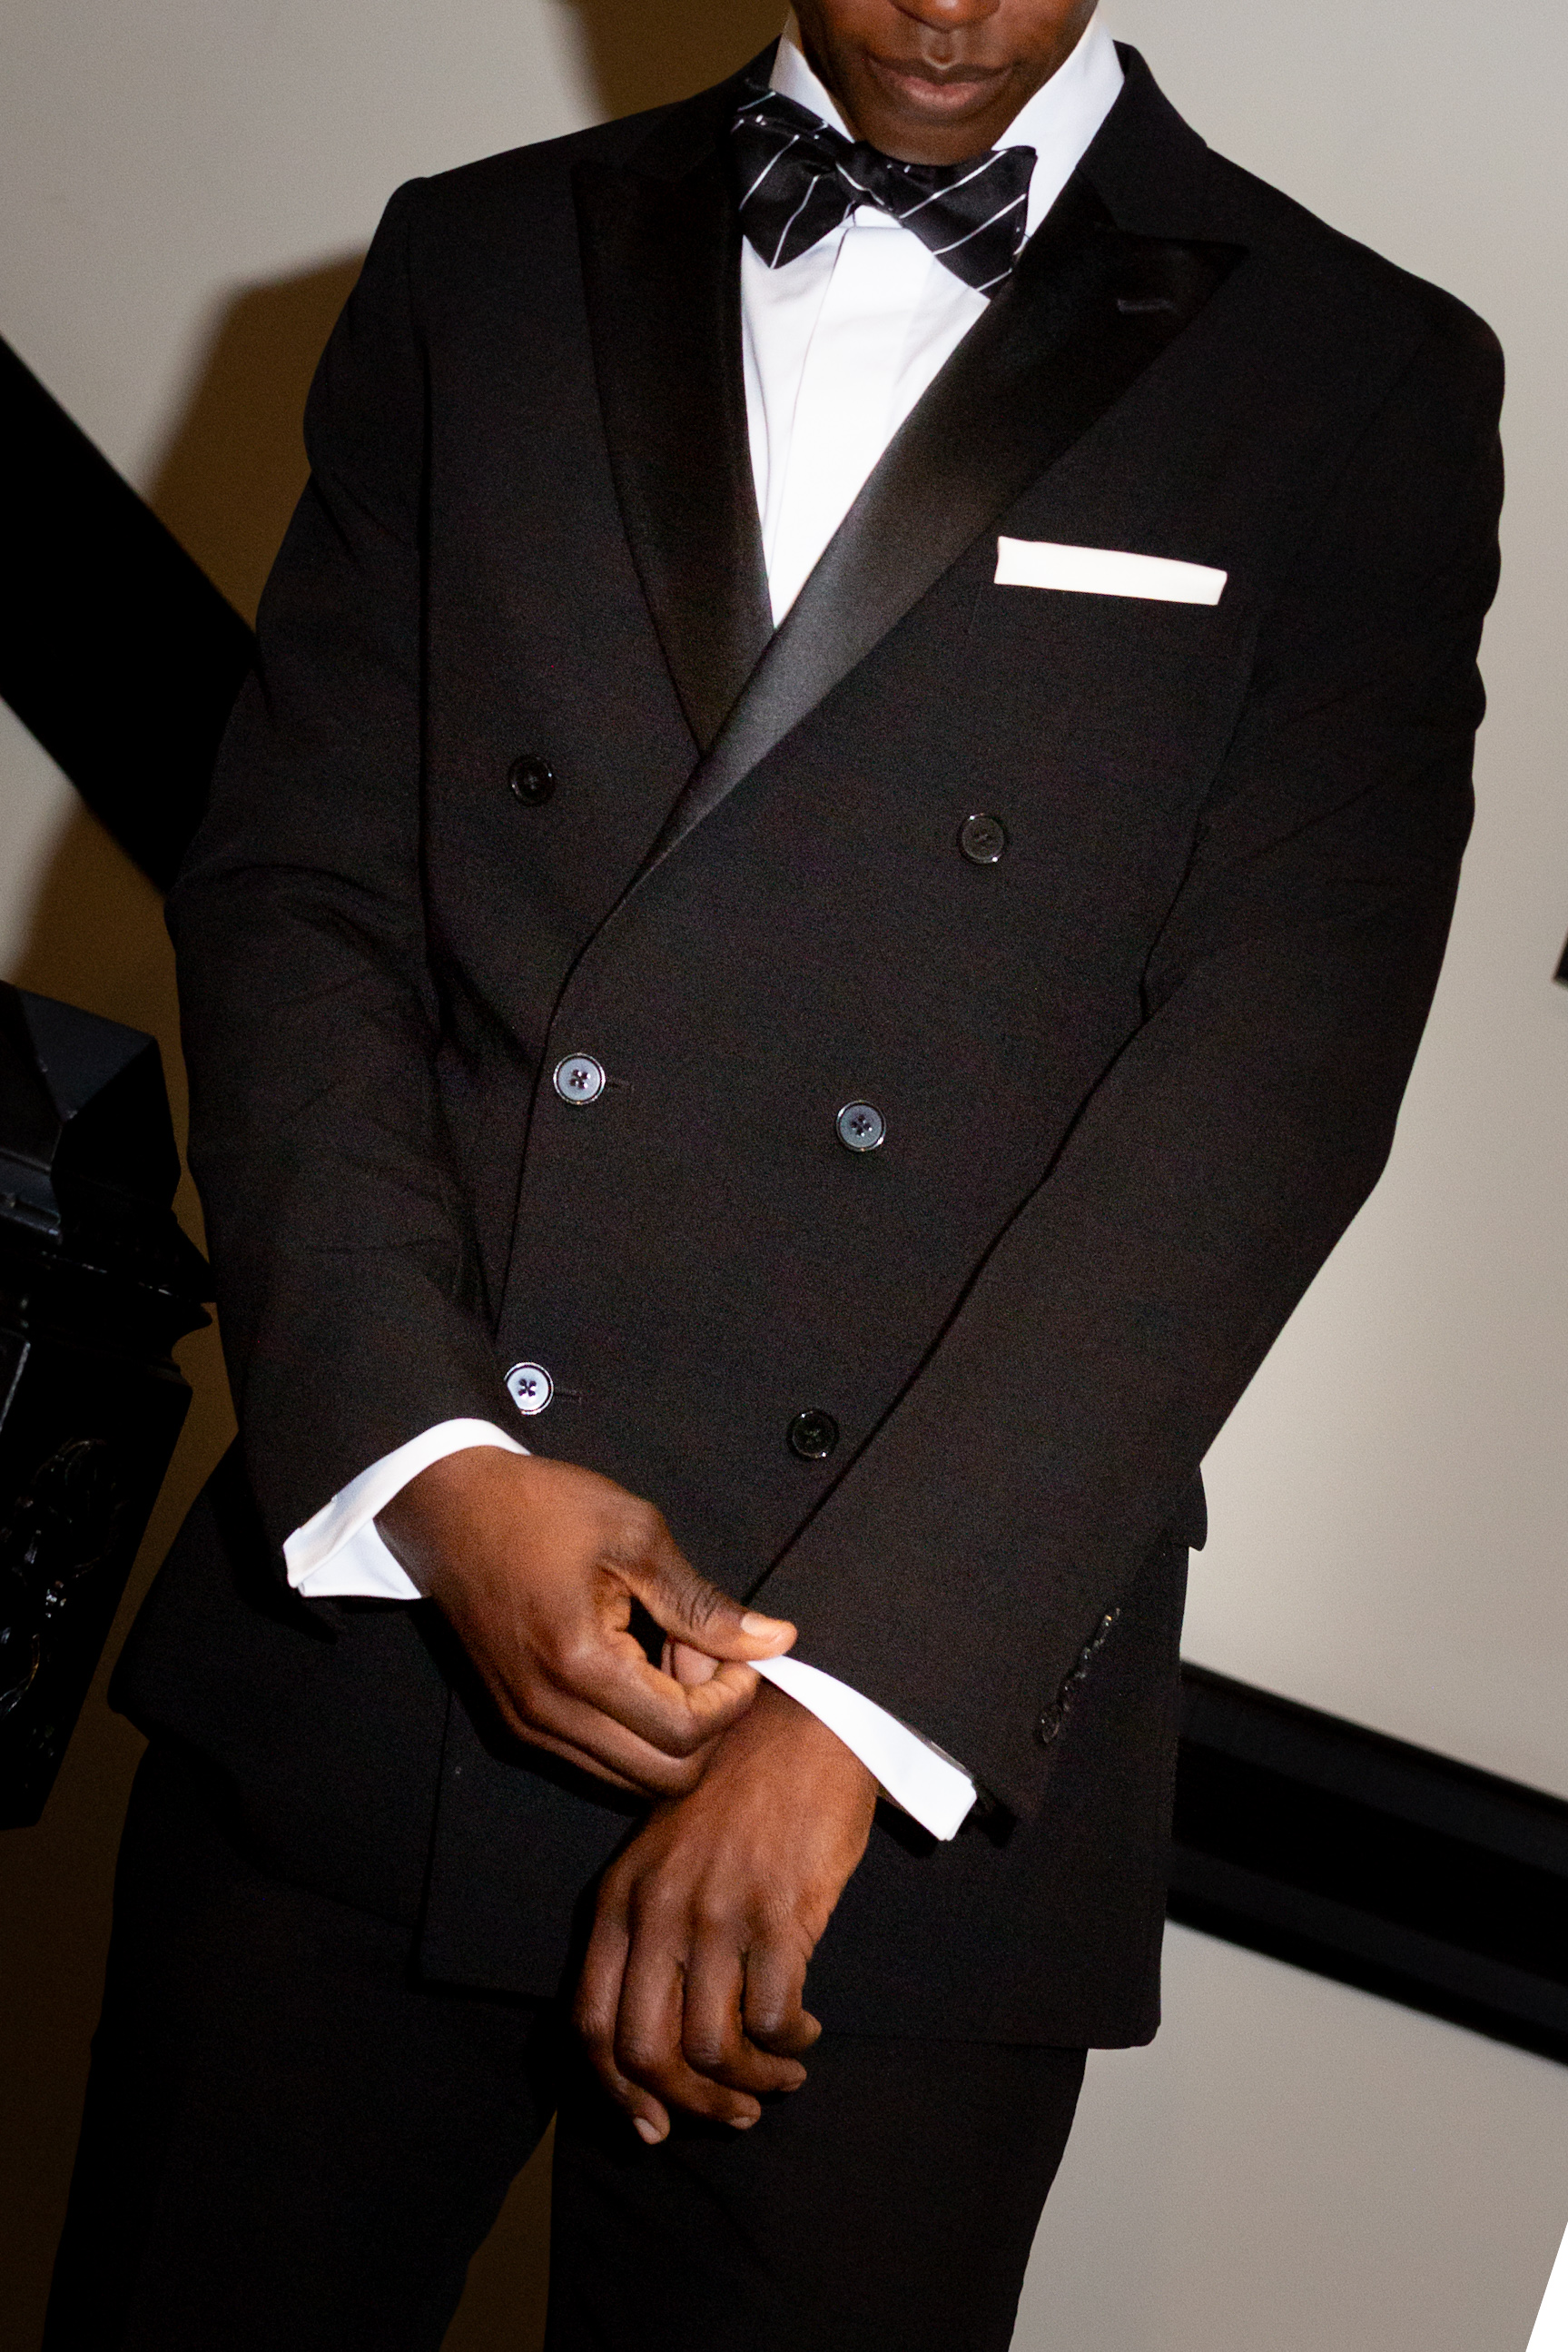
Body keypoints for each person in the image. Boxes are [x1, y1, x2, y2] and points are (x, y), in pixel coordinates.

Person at [46, 1, 1503, 2346]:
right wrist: (434, 1469)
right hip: (375, 1675)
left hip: (913, 1763)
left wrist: (864, 1709)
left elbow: (1266, 1093)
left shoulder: (1361, 373)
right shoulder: (475, 265)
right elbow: (298, 896)